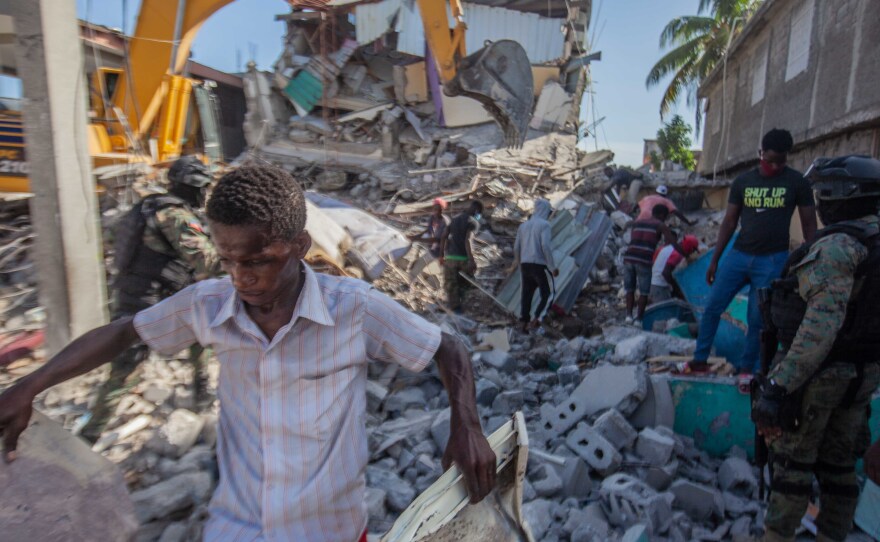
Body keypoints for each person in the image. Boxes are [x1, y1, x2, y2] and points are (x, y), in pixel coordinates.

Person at [0, 164, 496, 541]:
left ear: (299, 245)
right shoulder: (208, 304)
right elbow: (125, 332)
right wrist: (30, 385)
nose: (242, 278)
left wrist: (467, 425)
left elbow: (447, 348)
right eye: (228, 261)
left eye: (259, 260)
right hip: (237, 528)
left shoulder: (354, 309)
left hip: (330, 531)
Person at [752, 155, 880, 542]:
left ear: (840, 196)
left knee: (792, 468)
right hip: (862, 377)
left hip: (821, 376)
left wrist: (778, 386)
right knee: (839, 468)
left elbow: (820, 328)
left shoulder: (838, 247)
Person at [81, 155, 222, 443]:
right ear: (193, 187)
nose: (204, 194)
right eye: (202, 188)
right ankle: (91, 433)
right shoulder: (175, 216)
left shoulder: (144, 207)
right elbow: (206, 261)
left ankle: (201, 390)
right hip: (154, 300)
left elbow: (112, 239)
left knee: (197, 334)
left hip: (130, 293)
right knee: (129, 366)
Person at [687, 128, 817, 374]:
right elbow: (729, 222)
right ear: (761, 153)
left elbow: (809, 224)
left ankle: (748, 370)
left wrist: (809, 258)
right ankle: (700, 359)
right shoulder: (744, 181)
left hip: (772, 261)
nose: (775, 166)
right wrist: (715, 260)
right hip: (738, 256)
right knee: (713, 307)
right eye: (771, 160)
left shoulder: (796, 182)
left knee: (758, 319)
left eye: (781, 161)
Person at [623, 204, 684, 324]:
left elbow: (633, 239)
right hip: (643, 260)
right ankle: (638, 320)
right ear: (662, 215)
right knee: (644, 292)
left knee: (629, 289)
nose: (665, 220)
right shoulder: (660, 225)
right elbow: (672, 242)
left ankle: (628, 317)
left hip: (629, 258)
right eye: (665, 217)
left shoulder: (637, 222)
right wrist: (685, 254)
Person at [510, 199, 558, 332]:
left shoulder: (523, 226)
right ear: (545, 210)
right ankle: (537, 318)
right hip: (538, 265)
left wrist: (520, 265)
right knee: (547, 293)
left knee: (527, 294)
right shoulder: (545, 225)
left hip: (525, 265)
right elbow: (545, 246)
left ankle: (523, 321)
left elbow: (516, 248)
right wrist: (552, 267)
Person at [440, 200, 483, 313]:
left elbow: (444, 236)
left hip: (450, 258)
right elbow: (468, 240)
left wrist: (441, 255)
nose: (479, 215)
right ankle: (463, 307)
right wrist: (471, 260)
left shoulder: (454, 219)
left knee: (451, 284)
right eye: (480, 213)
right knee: (466, 284)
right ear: (477, 211)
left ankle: (454, 308)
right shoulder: (473, 222)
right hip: (463, 259)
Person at [650, 234, 699, 303]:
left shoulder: (670, 248)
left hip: (656, 283)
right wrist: (676, 288)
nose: (691, 253)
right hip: (659, 286)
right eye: (692, 251)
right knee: (666, 308)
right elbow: (666, 273)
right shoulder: (677, 255)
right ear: (689, 249)